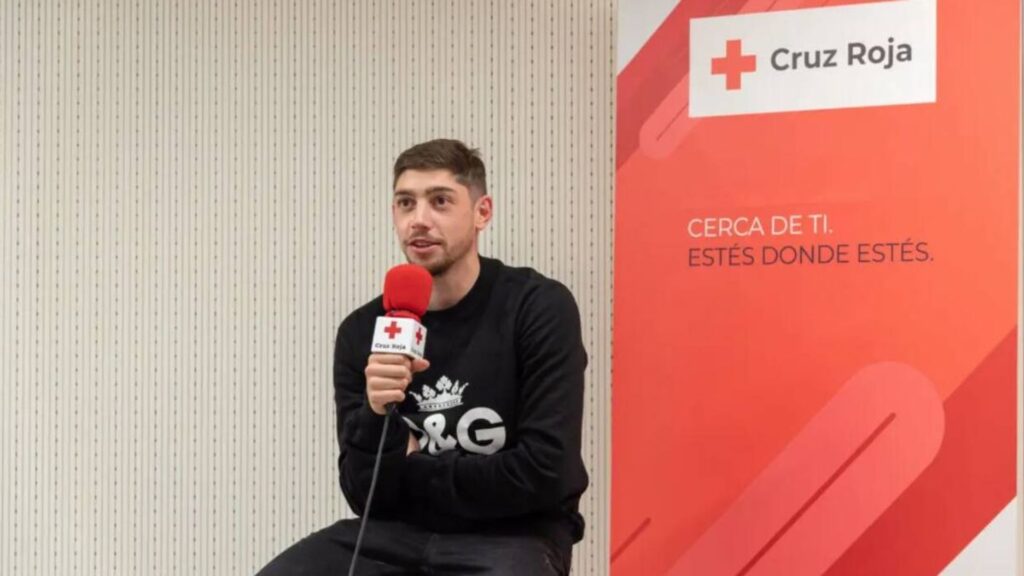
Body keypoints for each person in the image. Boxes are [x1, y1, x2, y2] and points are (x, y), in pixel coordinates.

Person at [257, 139, 589, 575]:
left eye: (440, 201)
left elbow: (547, 473)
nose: (419, 220)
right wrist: (377, 415)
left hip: (512, 536)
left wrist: (415, 466)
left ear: (482, 212)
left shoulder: (536, 308)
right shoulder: (363, 330)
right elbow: (364, 494)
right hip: (394, 535)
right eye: (405, 203)